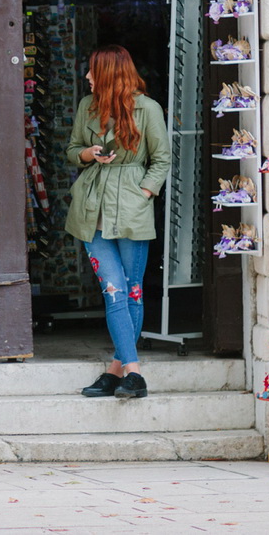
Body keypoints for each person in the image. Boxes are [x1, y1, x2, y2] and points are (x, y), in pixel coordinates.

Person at [65, 45, 171, 398]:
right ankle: (133, 373)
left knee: (132, 289)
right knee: (113, 290)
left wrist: (143, 193)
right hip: (92, 209)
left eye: (93, 71)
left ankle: (115, 371)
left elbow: (162, 160)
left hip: (131, 209)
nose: (87, 77)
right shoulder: (87, 107)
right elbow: (71, 149)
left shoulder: (148, 109)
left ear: (109, 74)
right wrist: (88, 153)